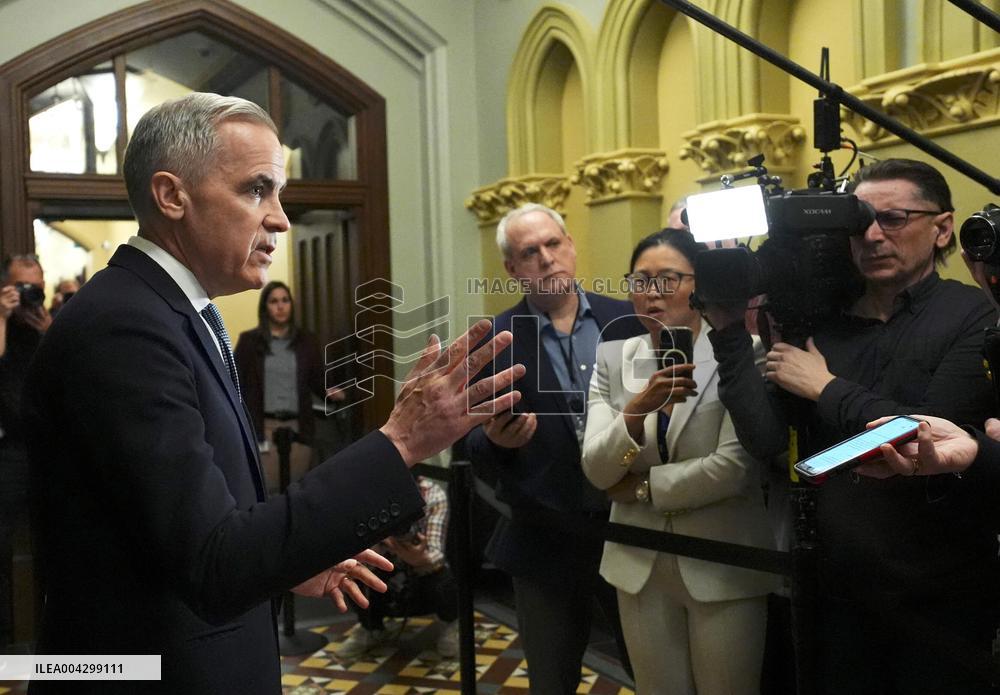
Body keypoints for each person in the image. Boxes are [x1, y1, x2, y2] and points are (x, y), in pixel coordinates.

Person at [22, 92, 523, 695]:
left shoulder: (175, 312)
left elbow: (191, 533)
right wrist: (400, 440)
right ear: (172, 195)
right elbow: (212, 563)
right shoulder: (124, 326)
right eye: (256, 189)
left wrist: (286, 561)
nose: (281, 219)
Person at [703, 158, 999, 693]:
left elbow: (927, 438)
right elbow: (768, 441)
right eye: (858, 221)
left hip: (941, 592)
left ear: (943, 228)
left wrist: (825, 388)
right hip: (837, 589)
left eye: (894, 218)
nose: (872, 235)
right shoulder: (823, 326)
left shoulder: (975, 315)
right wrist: (727, 334)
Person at [581, 228, 776, 694]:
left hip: (724, 562)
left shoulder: (742, 352)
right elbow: (596, 468)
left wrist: (644, 488)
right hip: (637, 564)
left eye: (669, 279)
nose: (652, 294)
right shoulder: (614, 358)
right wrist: (637, 408)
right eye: (641, 281)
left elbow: (735, 467)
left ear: (698, 285)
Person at [463, 203, 642, 694]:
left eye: (553, 244)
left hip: (632, 527)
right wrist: (494, 440)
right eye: (529, 251)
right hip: (545, 533)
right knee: (552, 680)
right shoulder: (495, 341)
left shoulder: (626, 320)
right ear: (512, 269)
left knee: (653, 673)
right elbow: (467, 439)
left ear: (571, 247)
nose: (545, 258)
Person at [336, 475, 459, 660]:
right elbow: (353, 546)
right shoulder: (368, 493)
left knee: (442, 578)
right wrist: (377, 542)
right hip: (384, 567)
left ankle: (449, 624)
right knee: (353, 570)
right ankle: (371, 627)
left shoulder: (432, 493)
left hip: (422, 572)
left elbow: (436, 555)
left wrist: (407, 550)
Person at [234, 280, 338, 492]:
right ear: (265, 307)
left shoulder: (306, 341)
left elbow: (318, 380)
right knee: (267, 494)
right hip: (264, 430)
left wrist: (333, 392)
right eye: (274, 302)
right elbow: (236, 384)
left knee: (297, 493)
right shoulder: (249, 342)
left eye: (285, 301)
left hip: (298, 429)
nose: (280, 307)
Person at [0, 254, 51, 648]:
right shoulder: (2, 325)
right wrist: (2, 316)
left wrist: (50, 327)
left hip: (50, 448)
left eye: (35, 287)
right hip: (10, 449)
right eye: (20, 287)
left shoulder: (52, 324)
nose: (28, 295)